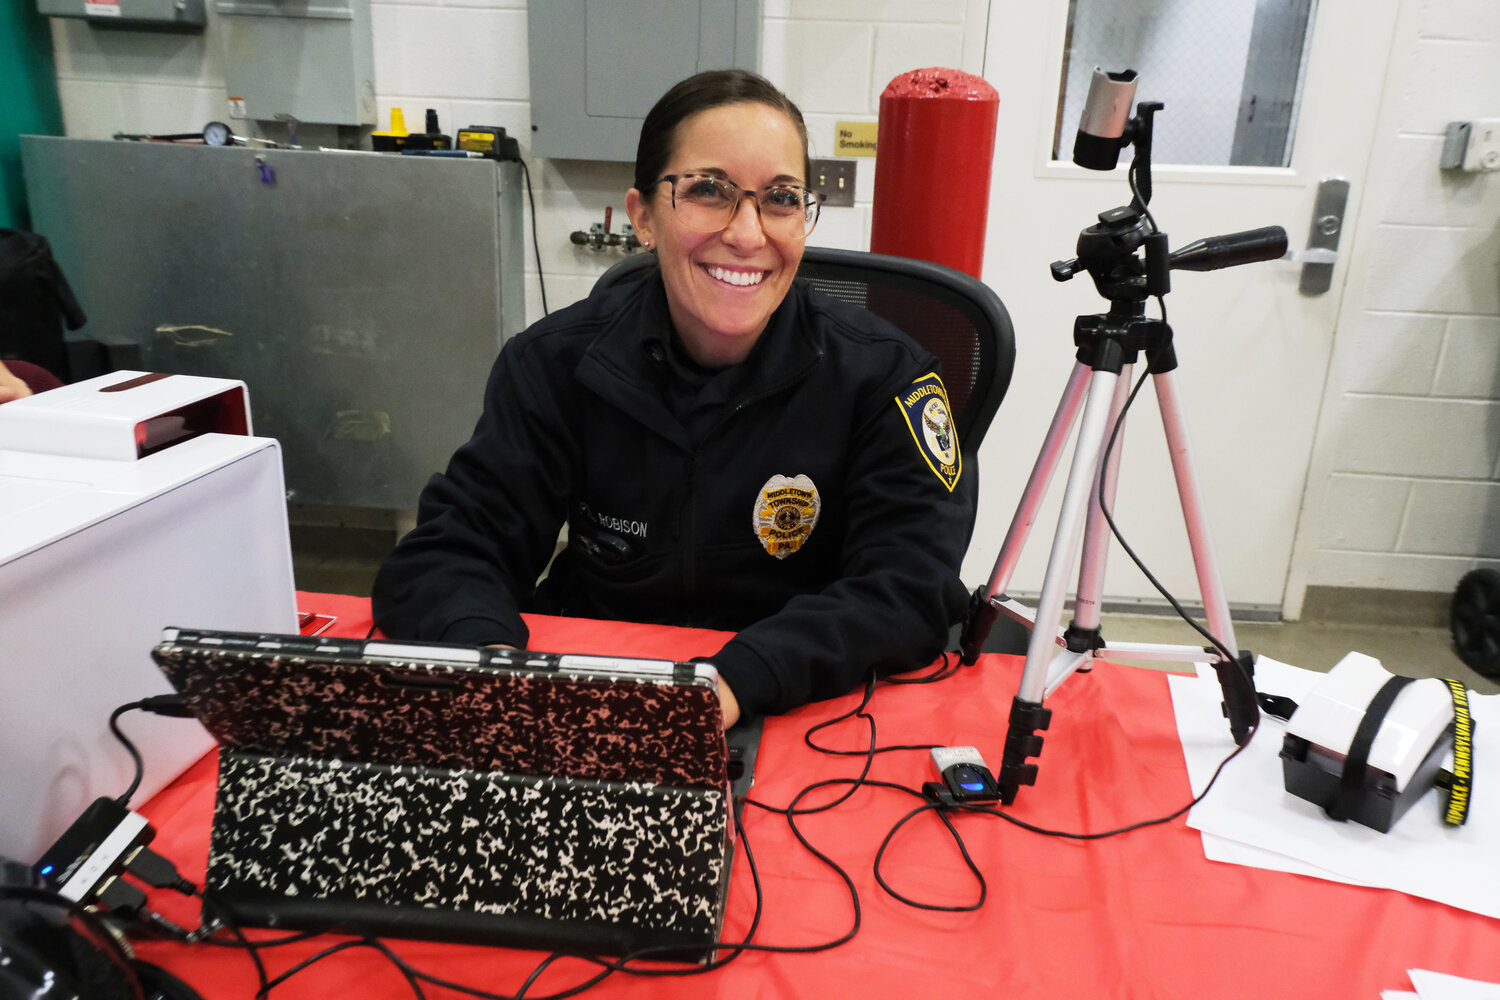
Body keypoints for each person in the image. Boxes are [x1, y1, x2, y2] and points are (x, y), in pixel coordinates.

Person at [371, 69, 977, 728]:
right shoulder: (554, 364)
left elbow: (911, 586)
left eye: (780, 198)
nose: (748, 234)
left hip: (794, 699)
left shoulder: (886, 376)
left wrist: (741, 679)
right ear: (644, 218)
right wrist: (490, 667)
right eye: (709, 191)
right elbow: (451, 551)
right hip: (595, 685)